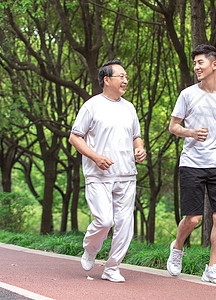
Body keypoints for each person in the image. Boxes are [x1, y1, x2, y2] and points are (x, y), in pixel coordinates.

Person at [167, 44, 216, 285]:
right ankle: (178, 246)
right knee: (193, 219)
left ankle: (212, 268)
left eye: (200, 62)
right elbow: (173, 126)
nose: (196, 67)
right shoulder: (187, 94)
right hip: (191, 163)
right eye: (194, 63)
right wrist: (190, 132)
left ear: (214, 65)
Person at [69, 59, 146, 283]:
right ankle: (91, 249)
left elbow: (136, 136)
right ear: (106, 80)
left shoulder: (129, 107)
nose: (125, 80)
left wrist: (139, 149)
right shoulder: (92, 105)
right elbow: (75, 137)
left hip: (126, 174)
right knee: (104, 220)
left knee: (125, 224)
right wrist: (95, 156)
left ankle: (112, 267)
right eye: (121, 76)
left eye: (126, 77)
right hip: (98, 174)